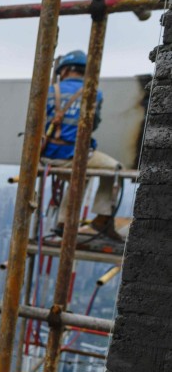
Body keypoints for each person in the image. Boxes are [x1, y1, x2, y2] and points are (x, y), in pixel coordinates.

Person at [42, 49, 125, 241]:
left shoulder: (49, 91)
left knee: (81, 175)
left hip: (47, 154)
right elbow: (93, 124)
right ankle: (102, 219)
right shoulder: (94, 93)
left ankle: (63, 223)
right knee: (114, 169)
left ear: (64, 70)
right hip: (74, 155)